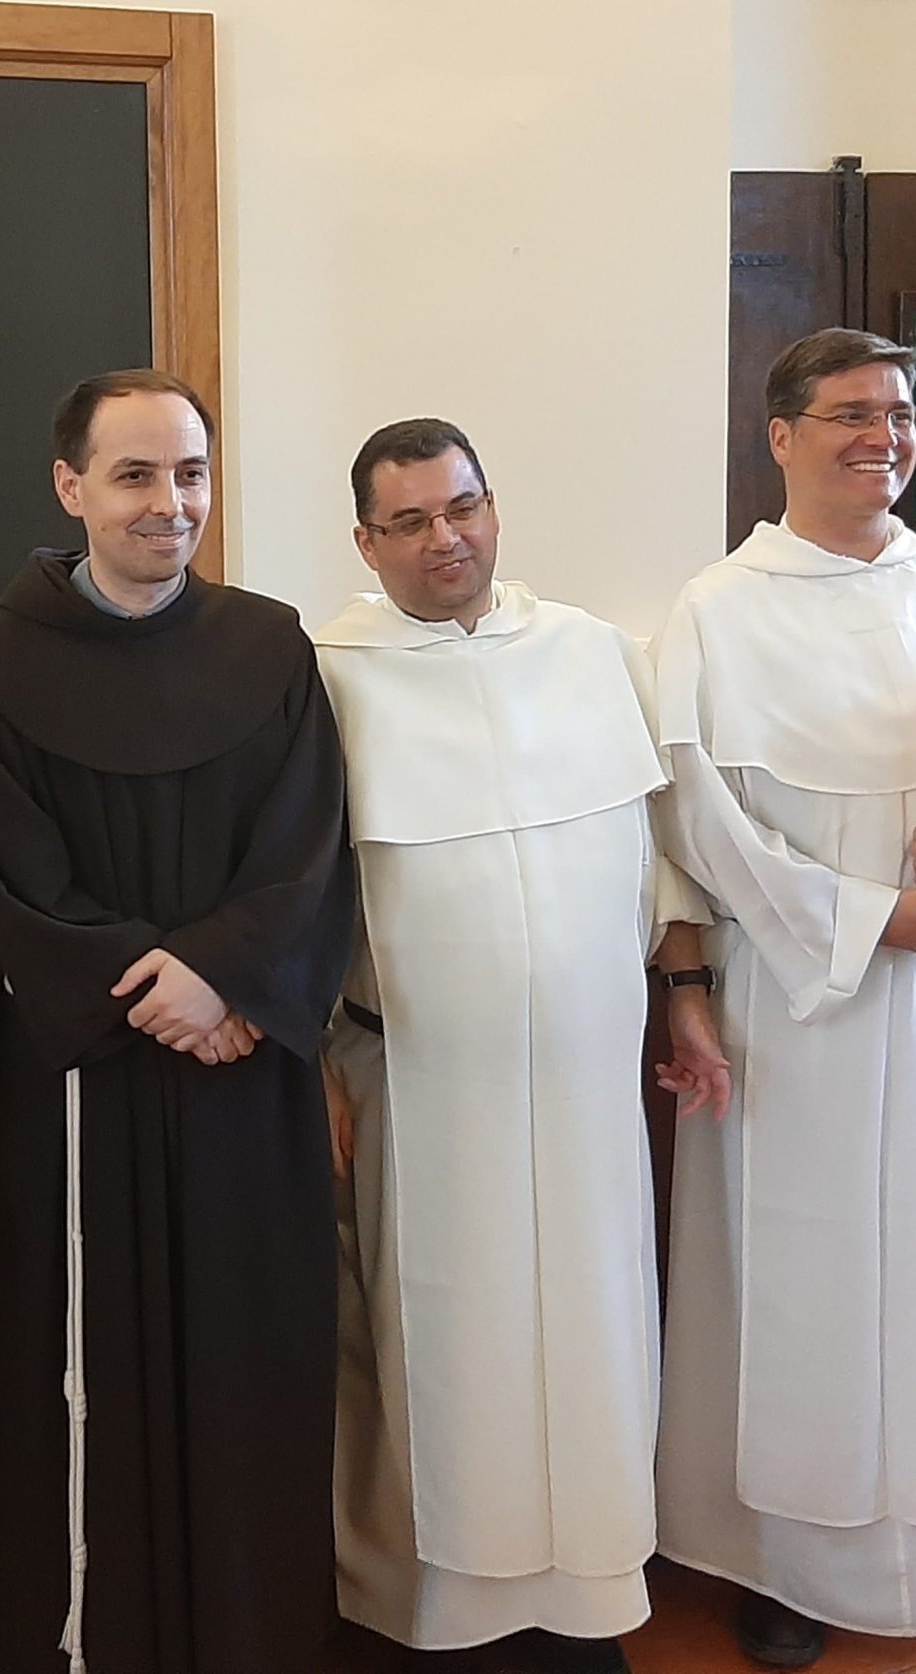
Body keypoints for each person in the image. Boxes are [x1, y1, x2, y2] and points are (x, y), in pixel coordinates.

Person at [649, 330, 916, 1667]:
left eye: (896, 412)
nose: (878, 436)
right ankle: (785, 1565)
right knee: (791, 1278)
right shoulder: (716, 611)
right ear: (779, 436)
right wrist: (862, 916)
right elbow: (701, 824)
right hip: (796, 996)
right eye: (847, 413)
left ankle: (911, 1545)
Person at [0, 369, 355, 1674]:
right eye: (133, 475)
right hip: (93, 1079)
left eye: (189, 473)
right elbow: (15, 873)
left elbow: (308, 848)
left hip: (245, 1073)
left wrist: (225, 980)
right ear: (70, 487)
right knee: (88, 1371)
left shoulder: (270, 646)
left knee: (249, 1361)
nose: (168, 503)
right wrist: (162, 989)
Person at [314, 419, 729, 1674]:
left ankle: (586, 1599)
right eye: (409, 521)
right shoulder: (323, 678)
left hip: (586, 1084)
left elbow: (660, 856)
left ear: (493, 509)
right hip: (417, 1084)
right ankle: (434, 1616)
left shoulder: (590, 652)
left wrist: (687, 998)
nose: (444, 539)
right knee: (437, 1347)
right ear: (365, 543)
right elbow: (292, 896)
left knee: (594, 1333)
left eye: (462, 508)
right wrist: (309, 1066)